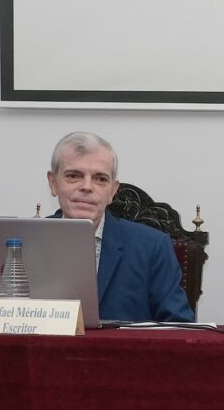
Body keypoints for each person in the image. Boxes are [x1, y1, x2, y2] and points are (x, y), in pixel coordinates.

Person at [47, 132, 194, 323]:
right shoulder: (24, 243)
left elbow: (180, 326)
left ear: (112, 191)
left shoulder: (152, 247)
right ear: (53, 183)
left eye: (100, 179)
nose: (87, 187)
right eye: (74, 176)